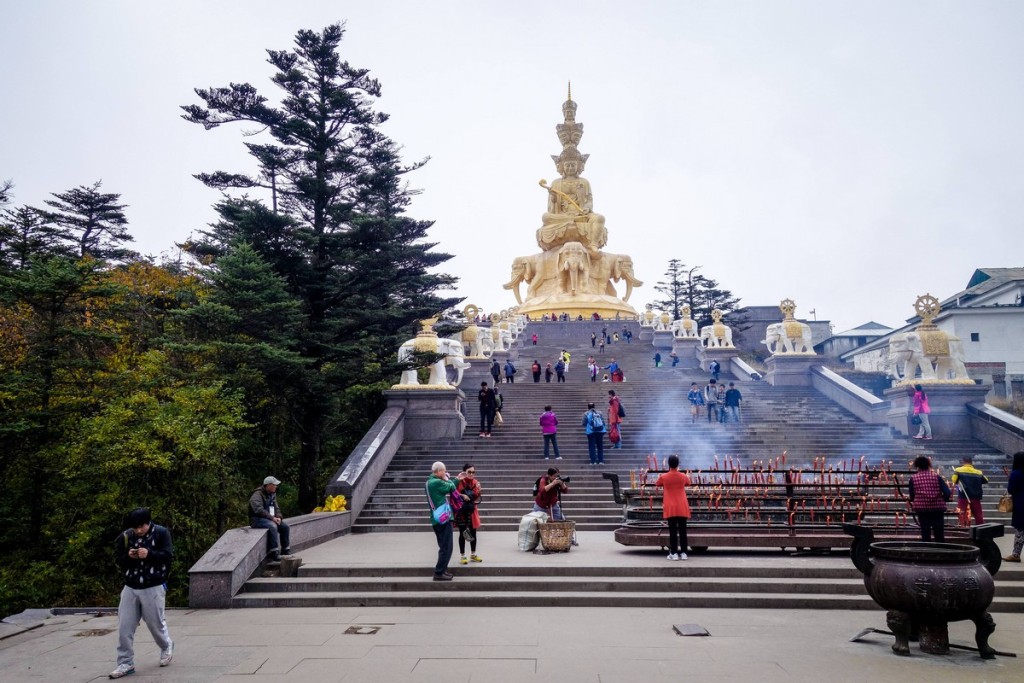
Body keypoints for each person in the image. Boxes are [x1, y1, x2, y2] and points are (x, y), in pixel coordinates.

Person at [109, 508, 174, 679]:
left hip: (153, 585)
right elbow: (119, 560)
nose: (138, 530)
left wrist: (149, 554)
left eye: (141, 526)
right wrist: (129, 556)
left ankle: (166, 646)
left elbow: (167, 556)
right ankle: (125, 662)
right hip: (130, 586)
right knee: (125, 626)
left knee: (155, 624)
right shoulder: (127, 536)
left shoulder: (161, 533)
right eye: (135, 527)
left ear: (148, 523)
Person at [427, 461, 466, 581]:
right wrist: (448, 479)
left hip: (438, 519)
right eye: (444, 471)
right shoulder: (436, 482)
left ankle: (442, 570)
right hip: (443, 520)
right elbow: (450, 487)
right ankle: (439, 572)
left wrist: (456, 479)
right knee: (446, 547)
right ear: (438, 471)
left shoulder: (431, 481)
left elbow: (447, 487)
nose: (445, 472)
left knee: (444, 546)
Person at [656, 455, 692, 560]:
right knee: (683, 531)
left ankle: (674, 553)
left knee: (672, 532)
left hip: (671, 506)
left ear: (668, 464)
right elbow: (688, 483)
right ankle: (684, 553)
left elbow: (657, 484)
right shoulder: (683, 476)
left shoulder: (664, 477)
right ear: (678, 464)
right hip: (682, 506)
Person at [908, 455, 950, 542]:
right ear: (928, 465)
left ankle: (927, 551)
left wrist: (916, 500)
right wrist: (943, 499)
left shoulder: (913, 478)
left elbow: (912, 495)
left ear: (917, 466)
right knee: (939, 533)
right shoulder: (936, 477)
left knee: (925, 532)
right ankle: (942, 552)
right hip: (937, 508)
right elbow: (947, 492)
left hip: (922, 508)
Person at [250, 476, 291, 560]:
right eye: (274, 485)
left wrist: (279, 517)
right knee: (273, 526)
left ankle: (285, 549)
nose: (276, 486)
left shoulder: (272, 494)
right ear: (268, 485)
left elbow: (276, 507)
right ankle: (273, 552)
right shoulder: (257, 495)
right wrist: (272, 518)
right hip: (257, 519)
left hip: (269, 518)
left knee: (285, 527)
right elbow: (258, 510)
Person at [455, 463, 483, 565]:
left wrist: (479, 492)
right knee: (462, 533)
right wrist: (462, 495)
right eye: (469, 472)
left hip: (471, 510)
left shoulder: (475, 482)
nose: (471, 474)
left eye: (473, 472)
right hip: (462, 511)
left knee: (473, 532)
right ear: (464, 472)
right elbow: (454, 494)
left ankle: (473, 554)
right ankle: (462, 556)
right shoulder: (459, 481)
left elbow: (475, 497)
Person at [951, 455, 989, 525]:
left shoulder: (958, 470)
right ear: (971, 462)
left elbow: (954, 480)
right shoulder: (978, 472)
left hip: (963, 496)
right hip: (976, 496)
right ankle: (980, 530)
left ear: (963, 461)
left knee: (962, 514)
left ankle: (963, 529)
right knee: (978, 515)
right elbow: (986, 480)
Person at [1003, 451, 1024, 562]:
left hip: (1021, 505)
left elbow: (1011, 489)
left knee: (1020, 530)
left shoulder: (1016, 473)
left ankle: (1015, 555)